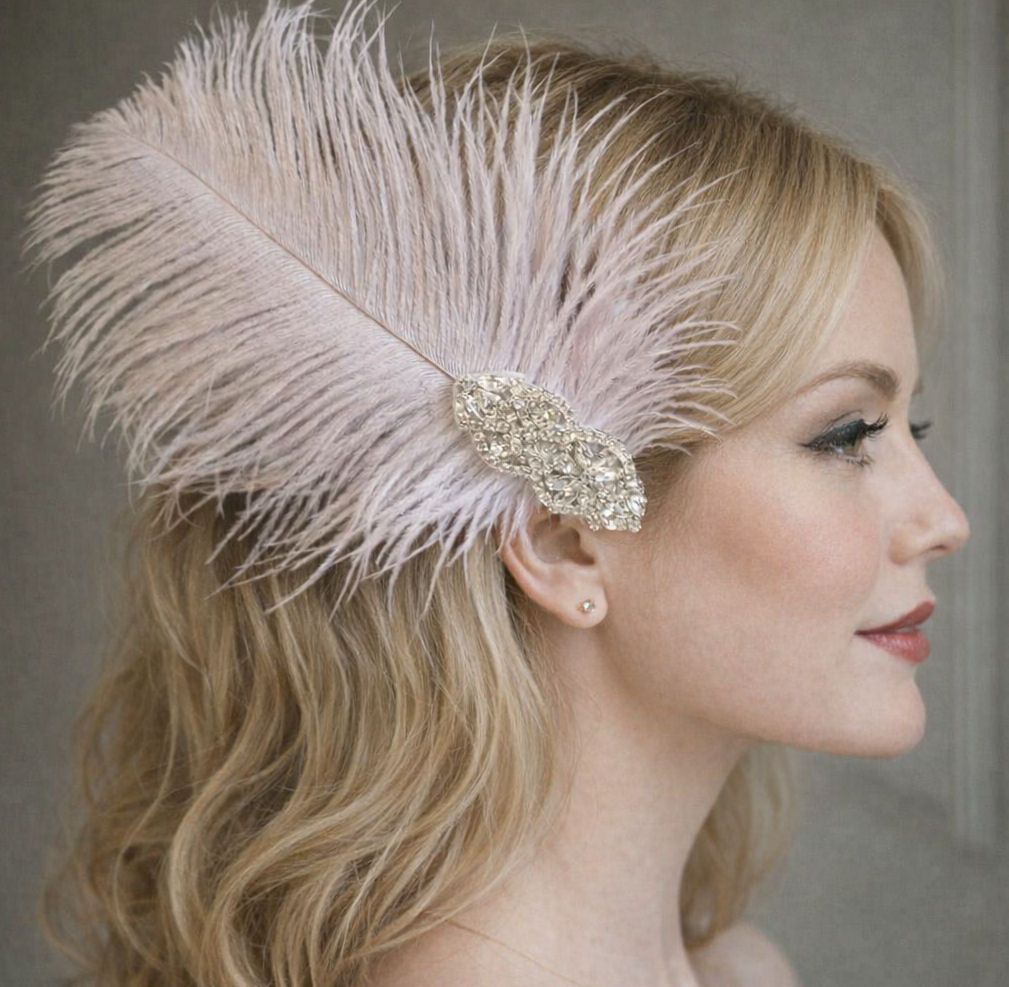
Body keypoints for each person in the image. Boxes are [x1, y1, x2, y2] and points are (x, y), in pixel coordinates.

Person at [23, 1, 969, 985]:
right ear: (563, 540)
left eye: (910, 429)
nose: (944, 519)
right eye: (845, 436)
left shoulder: (741, 972)